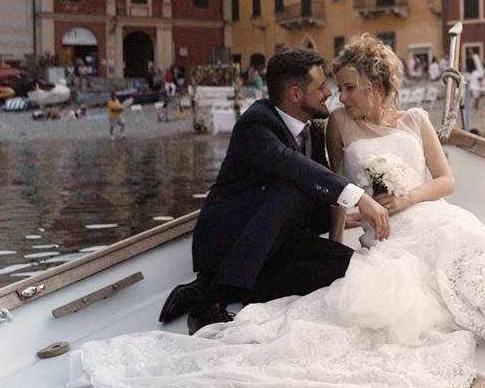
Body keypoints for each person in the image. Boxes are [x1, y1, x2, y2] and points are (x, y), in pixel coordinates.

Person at [69, 37, 485, 388]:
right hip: (254, 246)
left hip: (407, 216)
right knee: (391, 260)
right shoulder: (272, 125)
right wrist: (358, 213)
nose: (336, 96)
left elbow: (438, 181)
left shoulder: (400, 121)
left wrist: (388, 207)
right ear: (297, 94)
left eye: (346, 87)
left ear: (376, 83)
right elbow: (315, 179)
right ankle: (216, 291)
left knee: (450, 245)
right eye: (327, 87)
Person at [154, 48, 390, 333]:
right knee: (295, 186)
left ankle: (239, 289)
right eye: (320, 87)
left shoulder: (312, 130)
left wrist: (341, 224)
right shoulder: (256, 124)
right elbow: (295, 167)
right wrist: (359, 198)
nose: (329, 93)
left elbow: (321, 187)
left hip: (284, 242)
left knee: (348, 266)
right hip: (233, 242)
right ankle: (209, 299)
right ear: (295, 95)